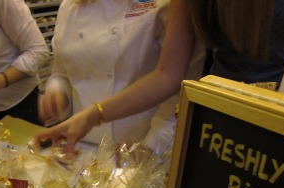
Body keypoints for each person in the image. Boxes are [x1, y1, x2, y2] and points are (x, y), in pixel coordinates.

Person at [34, 0, 284, 155]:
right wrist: (87, 111)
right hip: (219, 115)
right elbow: (168, 75)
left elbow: (175, 81)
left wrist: (152, 147)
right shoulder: (71, 7)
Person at [38, 0, 206, 151]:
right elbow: (61, 72)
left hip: (141, 147)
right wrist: (57, 91)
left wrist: (152, 148)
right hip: (81, 146)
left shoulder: (165, 5)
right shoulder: (70, 6)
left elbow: (179, 88)